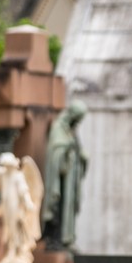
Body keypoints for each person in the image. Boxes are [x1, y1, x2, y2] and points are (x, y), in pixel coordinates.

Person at [42, 100, 87, 250]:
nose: (78, 123)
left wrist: (82, 156)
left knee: (69, 208)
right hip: (61, 179)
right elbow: (56, 150)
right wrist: (68, 148)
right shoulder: (58, 127)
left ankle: (67, 239)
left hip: (71, 178)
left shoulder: (71, 130)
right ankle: (56, 240)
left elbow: (77, 148)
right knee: (58, 207)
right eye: (77, 119)